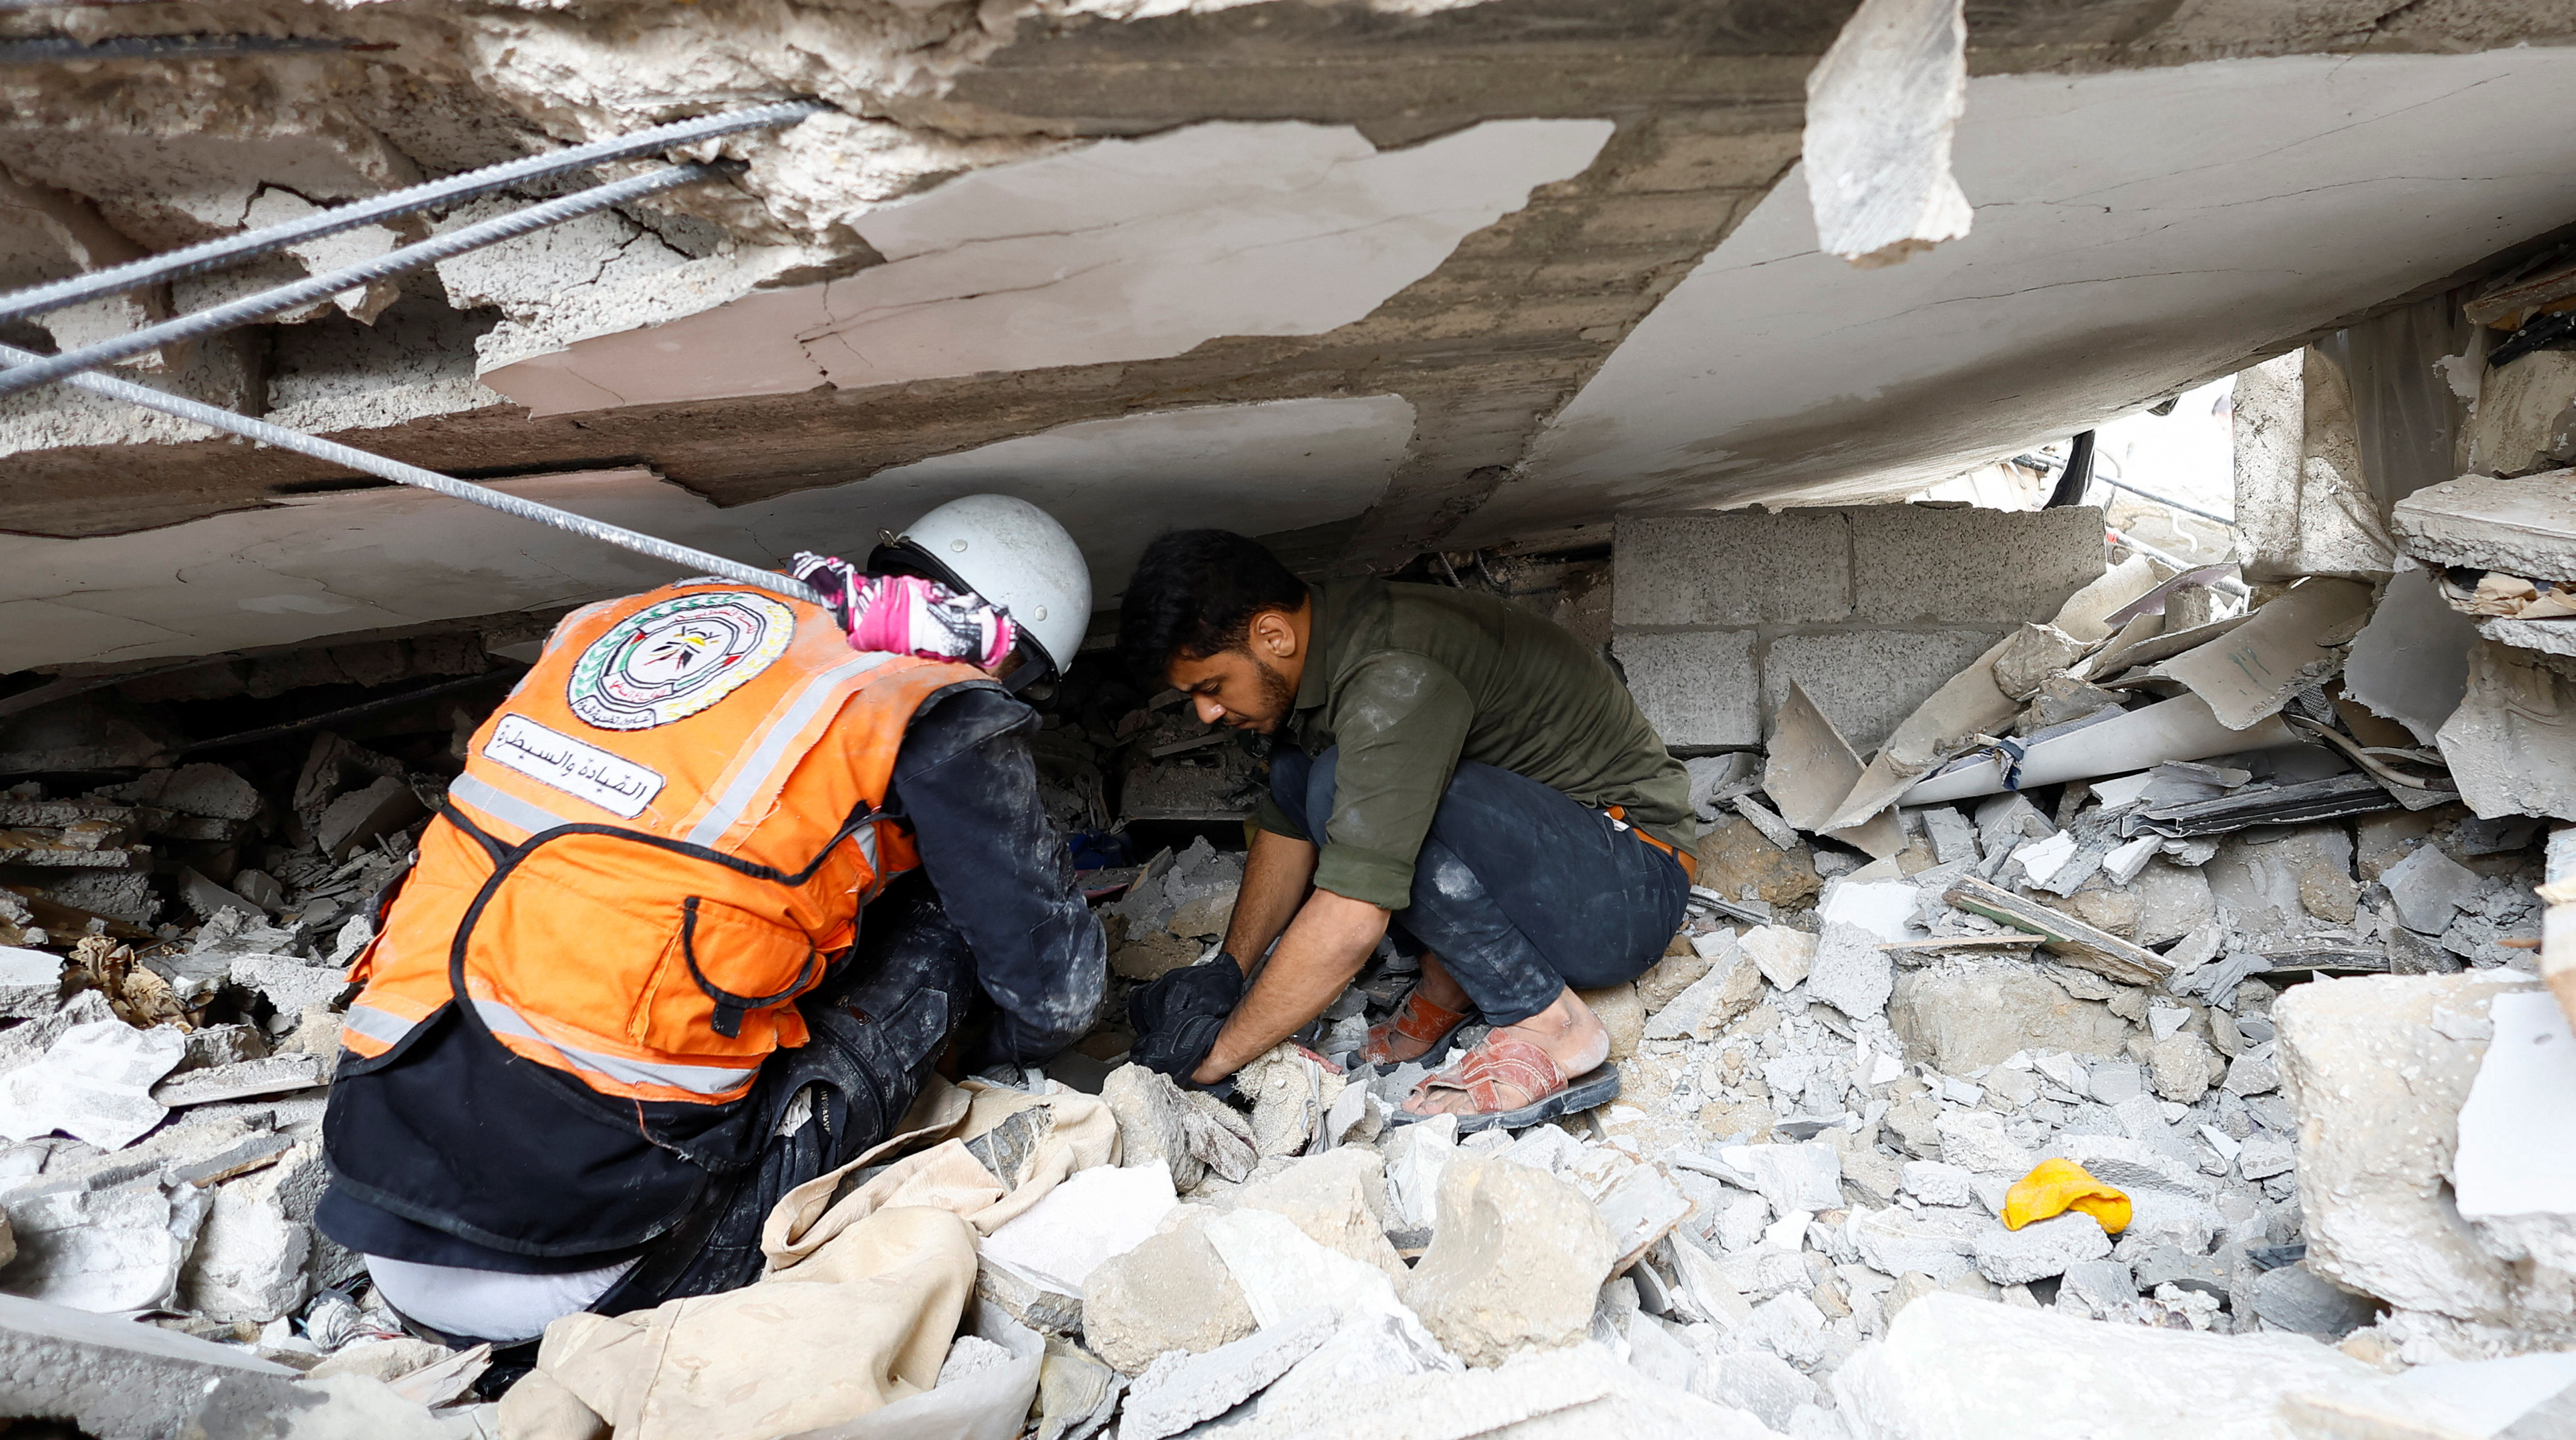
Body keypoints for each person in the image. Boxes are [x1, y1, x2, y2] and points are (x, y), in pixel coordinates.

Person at [316, 495, 1105, 1350]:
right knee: (945, 920)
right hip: (594, 1269)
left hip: (375, 1182)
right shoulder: (937, 703)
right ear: (1013, 658)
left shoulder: (632, 619)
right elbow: (1055, 994)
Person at [1115, 530, 1698, 1133]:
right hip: (1560, 862)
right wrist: (1229, 970)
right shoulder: (1325, 642)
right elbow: (1286, 825)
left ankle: (1551, 1022)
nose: (1206, 713)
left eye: (1211, 688)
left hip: (1630, 885)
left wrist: (1216, 1058)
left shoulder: (1392, 676)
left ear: (1272, 634)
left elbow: (1351, 916)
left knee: (1347, 786)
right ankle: (1453, 984)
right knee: (1302, 775)